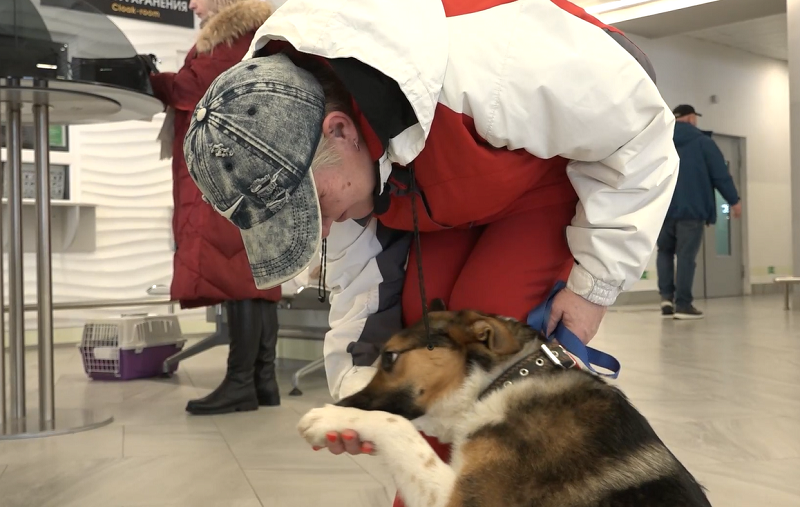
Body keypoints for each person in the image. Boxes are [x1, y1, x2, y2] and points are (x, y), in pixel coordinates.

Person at [182, 0, 678, 504]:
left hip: (544, 170)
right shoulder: (334, 164)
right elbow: (364, 292)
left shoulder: (489, 65)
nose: (323, 228)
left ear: (340, 130)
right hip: (441, 189)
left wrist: (593, 288)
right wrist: (364, 399)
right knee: (424, 338)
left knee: (490, 333)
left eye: (315, 207)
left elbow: (638, 133)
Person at [149, 0, 282, 415]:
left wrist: (148, 78)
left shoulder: (230, 35)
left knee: (236, 275)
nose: (191, 3)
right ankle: (262, 381)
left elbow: (192, 88)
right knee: (256, 278)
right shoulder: (255, 32)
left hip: (222, 165)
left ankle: (241, 383)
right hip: (244, 164)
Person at [657, 104, 742, 320]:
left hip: (663, 210)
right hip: (692, 210)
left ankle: (666, 299)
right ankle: (683, 305)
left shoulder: (660, 141)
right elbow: (720, 174)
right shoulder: (703, 142)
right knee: (685, 256)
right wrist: (734, 201)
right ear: (691, 118)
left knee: (664, 252)